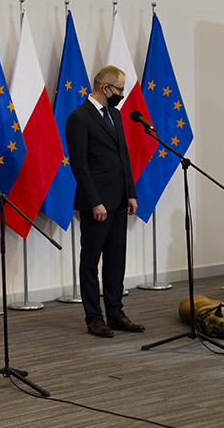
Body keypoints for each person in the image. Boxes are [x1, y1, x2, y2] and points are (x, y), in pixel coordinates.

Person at [65, 65, 145, 338]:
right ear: (106, 88)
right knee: (90, 261)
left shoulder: (115, 115)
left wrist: (130, 192)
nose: (122, 94)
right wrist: (94, 201)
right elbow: (80, 165)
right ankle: (94, 317)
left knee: (115, 259)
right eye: (120, 89)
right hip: (96, 203)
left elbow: (123, 156)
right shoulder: (79, 117)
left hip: (119, 199)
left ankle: (116, 313)